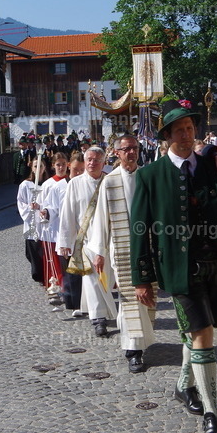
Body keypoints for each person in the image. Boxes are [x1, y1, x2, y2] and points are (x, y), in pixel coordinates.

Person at [130, 98, 217, 433]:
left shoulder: (212, 166)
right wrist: (142, 278)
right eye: (179, 129)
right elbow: (141, 228)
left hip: (216, 265)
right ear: (166, 135)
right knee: (201, 334)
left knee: (202, 332)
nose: (186, 133)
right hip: (179, 271)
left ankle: (184, 386)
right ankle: (213, 413)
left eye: (190, 127)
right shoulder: (149, 175)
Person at [89, 134, 156, 373]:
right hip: (123, 248)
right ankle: (133, 351)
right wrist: (99, 251)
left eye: (134, 148)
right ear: (116, 153)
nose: (131, 152)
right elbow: (101, 218)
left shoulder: (148, 176)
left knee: (148, 298)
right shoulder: (110, 181)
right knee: (130, 300)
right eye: (126, 149)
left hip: (147, 248)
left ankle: (142, 341)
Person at [57, 146, 116, 337]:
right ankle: (98, 318)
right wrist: (65, 241)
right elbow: (68, 213)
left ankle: (105, 311)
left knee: (105, 278)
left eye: (97, 160)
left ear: (104, 162)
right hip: (86, 240)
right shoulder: (75, 183)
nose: (92, 163)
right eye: (89, 159)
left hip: (108, 239)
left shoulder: (111, 182)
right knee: (91, 278)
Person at [34, 152, 69, 307]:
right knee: (53, 261)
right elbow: (43, 206)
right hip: (52, 229)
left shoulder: (71, 181)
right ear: (53, 166)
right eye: (58, 164)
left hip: (67, 226)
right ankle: (55, 287)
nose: (61, 167)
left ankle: (68, 289)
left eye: (63, 164)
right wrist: (40, 211)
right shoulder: (48, 184)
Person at [17, 155, 44, 284]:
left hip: (45, 225)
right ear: (32, 168)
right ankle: (37, 273)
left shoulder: (48, 184)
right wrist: (29, 207)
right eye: (35, 166)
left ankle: (45, 275)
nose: (38, 169)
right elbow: (20, 202)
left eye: (41, 166)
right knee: (31, 253)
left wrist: (42, 207)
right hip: (32, 224)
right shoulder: (25, 185)